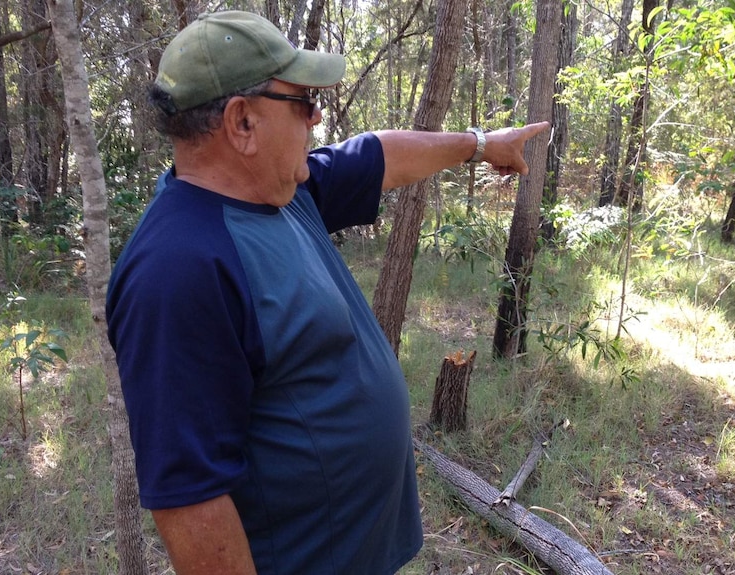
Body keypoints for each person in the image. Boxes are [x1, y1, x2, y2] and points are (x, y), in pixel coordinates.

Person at [106, 10, 549, 575]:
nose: (317, 118)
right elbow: (191, 500)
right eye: (302, 103)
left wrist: (480, 143)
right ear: (242, 123)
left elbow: (380, 155)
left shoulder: (284, 191)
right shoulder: (178, 271)